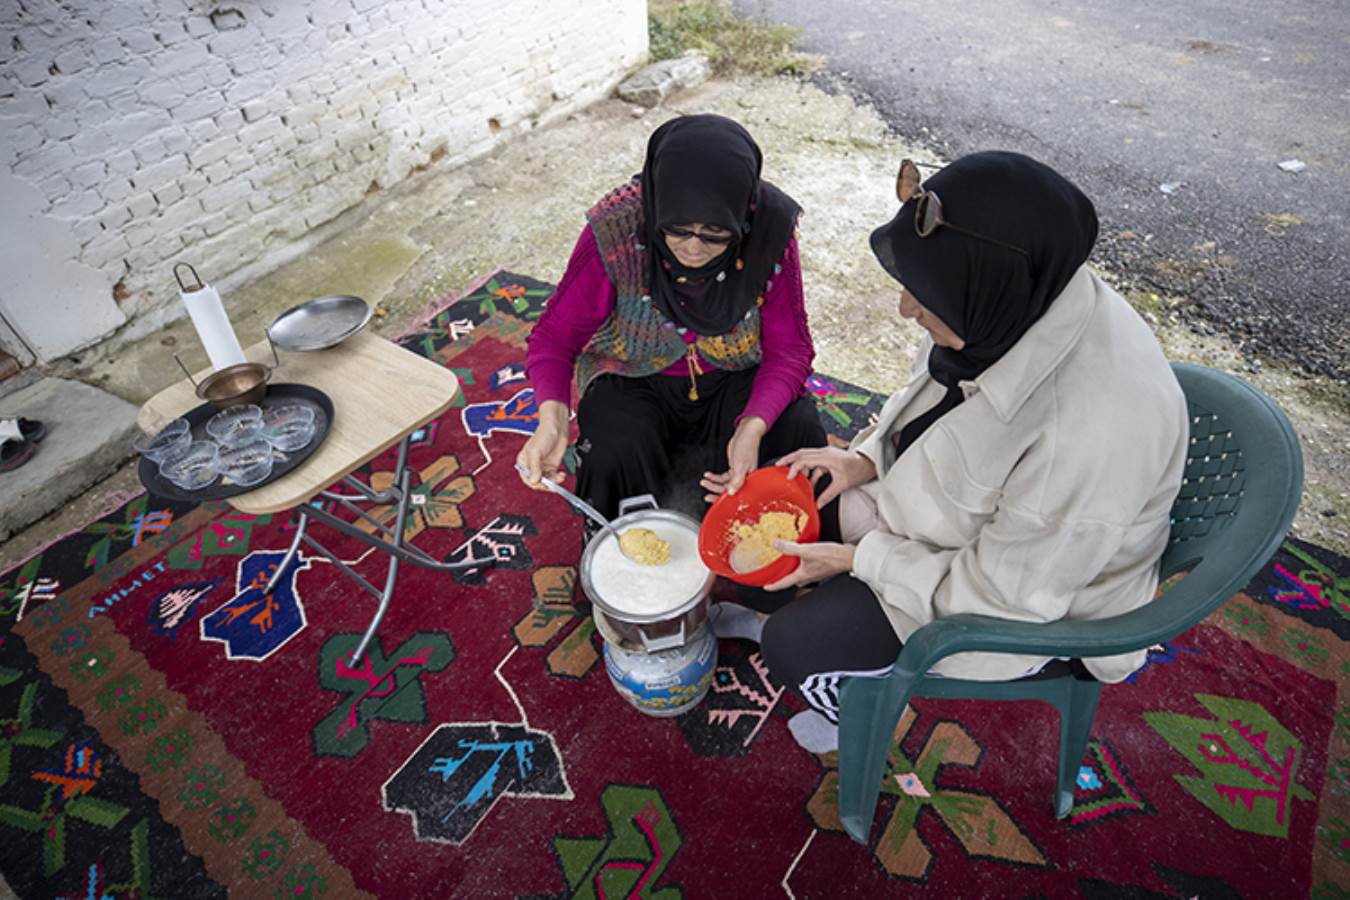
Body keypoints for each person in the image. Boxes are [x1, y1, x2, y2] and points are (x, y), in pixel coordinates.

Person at [729, 151, 1188, 754]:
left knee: (795, 645)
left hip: (1028, 609)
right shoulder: (1013, 295)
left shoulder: (1092, 436)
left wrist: (857, 559)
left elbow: (1001, 600)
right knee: (798, 497)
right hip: (962, 527)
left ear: (986, 286)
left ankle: (853, 709)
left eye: (924, 295)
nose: (906, 309)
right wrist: (863, 459)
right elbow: (932, 397)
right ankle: (820, 613)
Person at [517, 114, 826, 528]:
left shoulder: (770, 232)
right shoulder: (618, 230)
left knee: (795, 427)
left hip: (735, 377)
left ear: (743, 214)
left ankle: (780, 555)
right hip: (633, 378)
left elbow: (791, 350)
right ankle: (631, 565)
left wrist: (752, 426)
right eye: (676, 230)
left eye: (716, 234)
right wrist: (552, 422)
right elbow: (554, 339)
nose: (693, 249)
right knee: (616, 443)